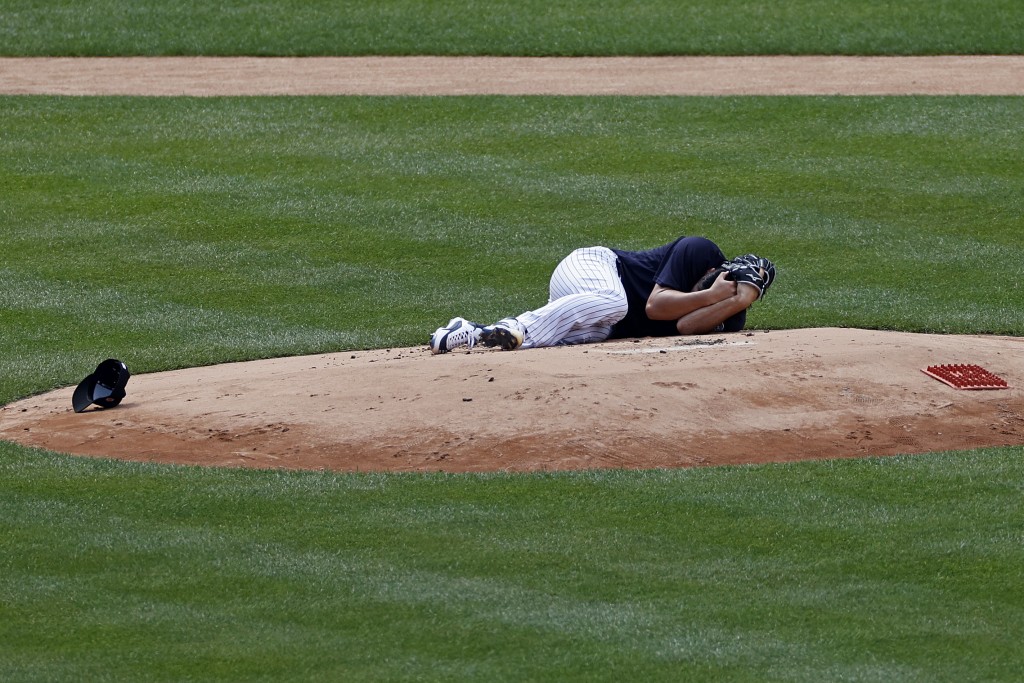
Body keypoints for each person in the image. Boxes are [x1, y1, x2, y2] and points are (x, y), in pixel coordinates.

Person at [429, 236, 774, 354]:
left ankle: (472, 332)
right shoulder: (699, 251)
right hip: (592, 268)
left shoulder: (732, 312)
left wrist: (732, 301)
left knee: (564, 342)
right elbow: (656, 307)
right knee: (618, 301)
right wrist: (713, 293)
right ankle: (516, 322)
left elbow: (685, 327)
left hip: (599, 319)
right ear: (722, 269)